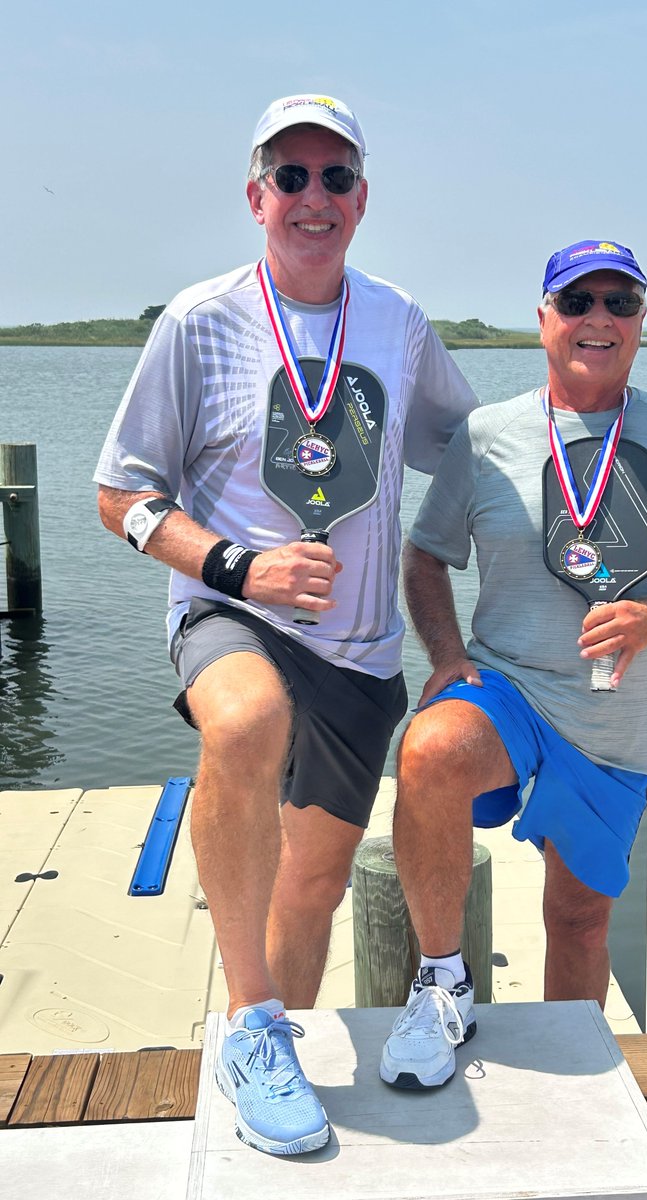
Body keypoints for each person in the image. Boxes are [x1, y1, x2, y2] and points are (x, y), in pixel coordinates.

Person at [94, 94, 477, 1154]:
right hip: (229, 615)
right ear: (257, 196)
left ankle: (282, 1056)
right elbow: (120, 496)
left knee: (308, 889)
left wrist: (588, 443)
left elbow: (470, 443)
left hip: (359, 652)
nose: (315, 197)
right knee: (245, 721)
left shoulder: (397, 321)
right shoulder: (198, 320)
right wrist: (238, 567)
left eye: (336, 177)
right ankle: (246, 1023)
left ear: (362, 200)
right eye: (292, 176)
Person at [379, 239, 647, 1090]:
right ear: (544, 320)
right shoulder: (487, 435)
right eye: (578, 302)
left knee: (579, 918)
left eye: (621, 304)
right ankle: (442, 984)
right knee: (431, 752)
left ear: (641, 323)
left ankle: (566, 1080)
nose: (599, 320)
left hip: (616, 723)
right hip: (507, 686)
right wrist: (443, 655)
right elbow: (425, 554)